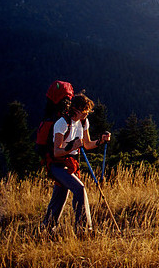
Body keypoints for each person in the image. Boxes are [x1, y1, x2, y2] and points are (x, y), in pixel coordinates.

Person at [41, 91, 111, 234]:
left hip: (71, 163)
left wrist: (101, 140)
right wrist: (71, 147)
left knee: (61, 194)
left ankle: (46, 229)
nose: (87, 114)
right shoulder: (61, 124)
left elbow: (87, 144)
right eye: (85, 111)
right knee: (79, 188)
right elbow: (56, 152)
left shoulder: (84, 122)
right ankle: (84, 229)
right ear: (77, 110)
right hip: (57, 164)